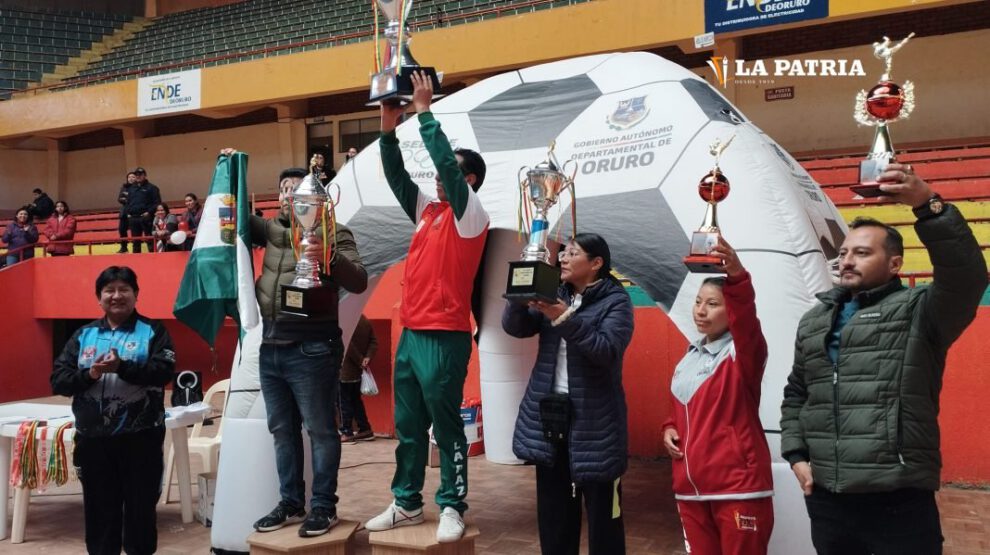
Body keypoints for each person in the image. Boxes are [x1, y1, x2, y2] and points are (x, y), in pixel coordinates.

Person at [780, 164, 988, 555]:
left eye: (862, 252)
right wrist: (796, 455)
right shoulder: (814, 320)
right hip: (828, 497)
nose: (846, 261)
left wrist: (928, 206)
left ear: (895, 264)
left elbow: (967, 278)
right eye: (843, 253)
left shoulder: (921, 311)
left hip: (898, 498)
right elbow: (797, 393)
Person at [364, 71, 490, 543]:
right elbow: (397, 175)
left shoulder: (470, 214)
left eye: (446, 173)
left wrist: (425, 112)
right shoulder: (428, 212)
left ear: (467, 179)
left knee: (445, 428)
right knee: (408, 425)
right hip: (412, 332)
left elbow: (448, 169)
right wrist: (388, 126)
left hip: (446, 335)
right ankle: (407, 503)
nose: (436, 178)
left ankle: (453, 505)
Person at [234, 153, 368, 538]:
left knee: (322, 431)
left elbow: (358, 279)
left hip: (313, 348)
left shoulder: (334, 232)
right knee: (282, 430)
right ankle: (291, 502)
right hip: (271, 345)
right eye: (285, 190)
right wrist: (233, 169)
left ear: (318, 199)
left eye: (299, 190)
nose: (291, 196)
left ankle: (323, 507)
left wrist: (327, 256)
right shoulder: (273, 231)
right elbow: (234, 218)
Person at [503, 233, 633, 555]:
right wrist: (520, 293)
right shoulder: (553, 291)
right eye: (562, 252)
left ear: (596, 263)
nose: (562, 258)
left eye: (572, 253)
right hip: (550, 419)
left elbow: (606, 351)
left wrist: (562, 315)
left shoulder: (616, 301)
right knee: (554, 514)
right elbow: (515, 328)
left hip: (597, 424)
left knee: (605, 519)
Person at [50, 266, 175, 555]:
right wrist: (90, 375)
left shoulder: (154, 331)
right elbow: (59, 380)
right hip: (93, 442)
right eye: (109, 290)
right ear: (99, 297)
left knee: (140, 512)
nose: (116, 296)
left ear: (136, 295)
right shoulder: (83, 335)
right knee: (99, 513)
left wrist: (123, 367)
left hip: (140, 439)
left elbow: (163, 372)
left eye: (124, 289)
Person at [662, 237, 773, 555]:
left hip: (737, 489)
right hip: (690, 490)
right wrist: (668, 428)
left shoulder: (743, 353)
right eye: (698, 302)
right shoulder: (689, 357)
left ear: (730, 309)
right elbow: (680, 413)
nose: (701, 310)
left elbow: (747, 318)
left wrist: (737, 276)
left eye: (713, 304)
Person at [339, 314, 378, 443]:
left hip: (345, 369)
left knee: (343, 402)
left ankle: (347, 431)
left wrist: (360, 360)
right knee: (356, 401)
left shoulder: (346, 318)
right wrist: (367, 358)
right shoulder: (365, 321)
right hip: (358, 371)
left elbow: (347, 344)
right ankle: (365, 429)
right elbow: (373, 341)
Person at [123, 167, 160, 253]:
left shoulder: (152, 188)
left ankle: (154, 259)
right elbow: (127, 202)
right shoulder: (131, 188)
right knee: (135, 242)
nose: (138, 176)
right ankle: (136, 261)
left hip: (146, 218)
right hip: (133, 219)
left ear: (145, 176)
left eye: (140, 174)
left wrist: (149, 212)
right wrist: (128, 213)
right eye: (136, 175)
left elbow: (157, 203)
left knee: (150, 240)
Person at [116, 172, 137, 253]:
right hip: (124, 213)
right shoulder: (124, 187)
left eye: (133, 177)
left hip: (134, 213)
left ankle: (135, 247)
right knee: (121, 230)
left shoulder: (138, 187)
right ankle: (124, 247)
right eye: (129, 177)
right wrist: (127, 198)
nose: (131, 178)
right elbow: (119, 199)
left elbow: (136, 199)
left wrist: (127, 197)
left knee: (134, 232)